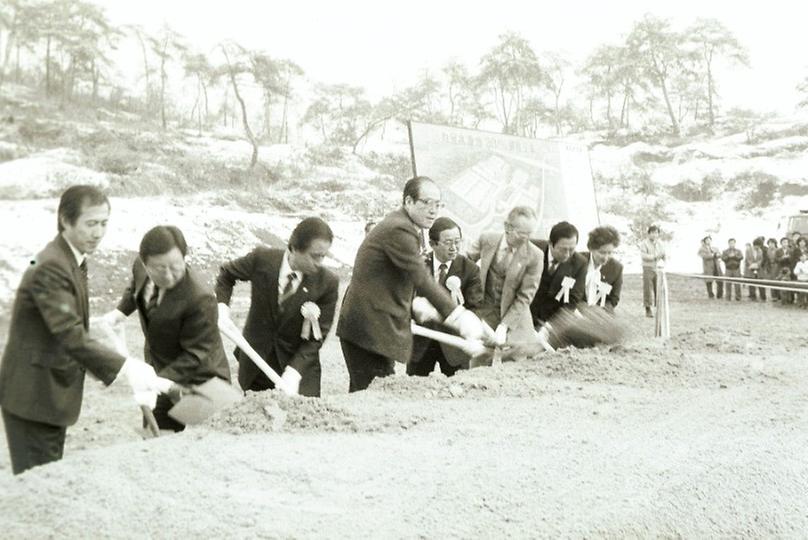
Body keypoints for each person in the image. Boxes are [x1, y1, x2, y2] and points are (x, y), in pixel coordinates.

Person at [0, 185, 171, 475]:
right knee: (40, 484)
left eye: (104, 223)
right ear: (66, 221)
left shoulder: (72, 258)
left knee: (46, 478)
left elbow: (71, 330)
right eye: (91, 224)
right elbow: (69, 333)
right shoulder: (51, 265)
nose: (98, 233)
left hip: (47, 391)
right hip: (34, 395)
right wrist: (126, 368)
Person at [337, 176, 488, 392]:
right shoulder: (399, 229)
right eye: (426, 203)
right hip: (369, 330)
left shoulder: (402, 226)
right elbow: (420, 276)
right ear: (408, 201)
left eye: (438, 204)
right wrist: (457, 316)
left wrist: (415, 304)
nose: (433, 210)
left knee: (372, 397)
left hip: (372, 329)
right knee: (374, 399)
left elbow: (395, 276)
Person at [99, 226, 231, 432]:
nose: (169, 276)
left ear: (184, 258)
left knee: (207, 446)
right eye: (160, 269)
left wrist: (153, 380)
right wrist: (121, 312)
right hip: (160, 369)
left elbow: (196, 355)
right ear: (145, 264)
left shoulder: (200, 298)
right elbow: (136, 287)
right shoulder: (140, 268)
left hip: (201, 381)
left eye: (176, 266)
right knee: (155, 442)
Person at [215, 217, 339, 398]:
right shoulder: (262, 259)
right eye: (315, 256)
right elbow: (226, 275)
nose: (319, 263)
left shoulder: (327, 282)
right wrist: (222, 308)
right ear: (294, 248)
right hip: (255, 364)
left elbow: (317, 338)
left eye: (323, 256)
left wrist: (294, 372)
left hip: (299, 374)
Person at [408, 217, 483, 377]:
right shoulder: (418, 265)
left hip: (455, 348)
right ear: (432, 244)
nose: (454, 247)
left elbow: (475, 308)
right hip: (421, 344)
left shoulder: (470, 269)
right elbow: (406, 299)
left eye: (458, 241)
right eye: (448, 242)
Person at [467, 206, 543, 362]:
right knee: (478, 366)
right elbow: (465, 264)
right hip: (485, 314)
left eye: (530, 234)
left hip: (515, 320)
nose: (526, 238)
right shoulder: (487, 239)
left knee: (515, 370)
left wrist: (505, 325)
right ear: (507, 227)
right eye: (523, 233)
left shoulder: (535, 255)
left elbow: (525, 296)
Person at [530, 221, 587, 326]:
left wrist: (552, 327)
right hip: (525, 311)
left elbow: (572, 301)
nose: (567, 254)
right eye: (563, 249)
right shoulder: (532, 249)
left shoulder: (580, 264)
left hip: (551, 320)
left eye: (572, 249)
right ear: (551, 244)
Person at [580, 226, 623, 312]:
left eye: (610, 253)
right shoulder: (577, 262)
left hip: (600, 316)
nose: (606, 257)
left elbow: (613, 299)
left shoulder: (616, 268)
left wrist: (598, 313)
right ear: (591, 248)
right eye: (602, 252)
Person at [640, 225, 666, 317]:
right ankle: (648, 309)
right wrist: (655, 257)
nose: (655, 235)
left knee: (658, 288)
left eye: (656, 233)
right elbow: (644, 256)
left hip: (658, 269)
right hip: (647, 268)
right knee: (647, 289)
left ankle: (659, 309)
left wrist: (664, 258)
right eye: (653, 233)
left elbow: (663, 254)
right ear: (649, 234)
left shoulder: (660, 243)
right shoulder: (644, 243)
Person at [775, 238, 793, 304]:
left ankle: (789, 300)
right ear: (781, 243)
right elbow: (776, 260)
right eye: (783, 242)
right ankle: (783, 300)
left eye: (786, 242)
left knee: (789, 284)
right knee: (782, 285)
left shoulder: (791, 251)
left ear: (788, 243)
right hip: (780, 269)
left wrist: (788, 258)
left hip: (788, 269)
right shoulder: (778, 251)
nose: (785, 244)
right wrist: (782, 258)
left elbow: (792, 261)